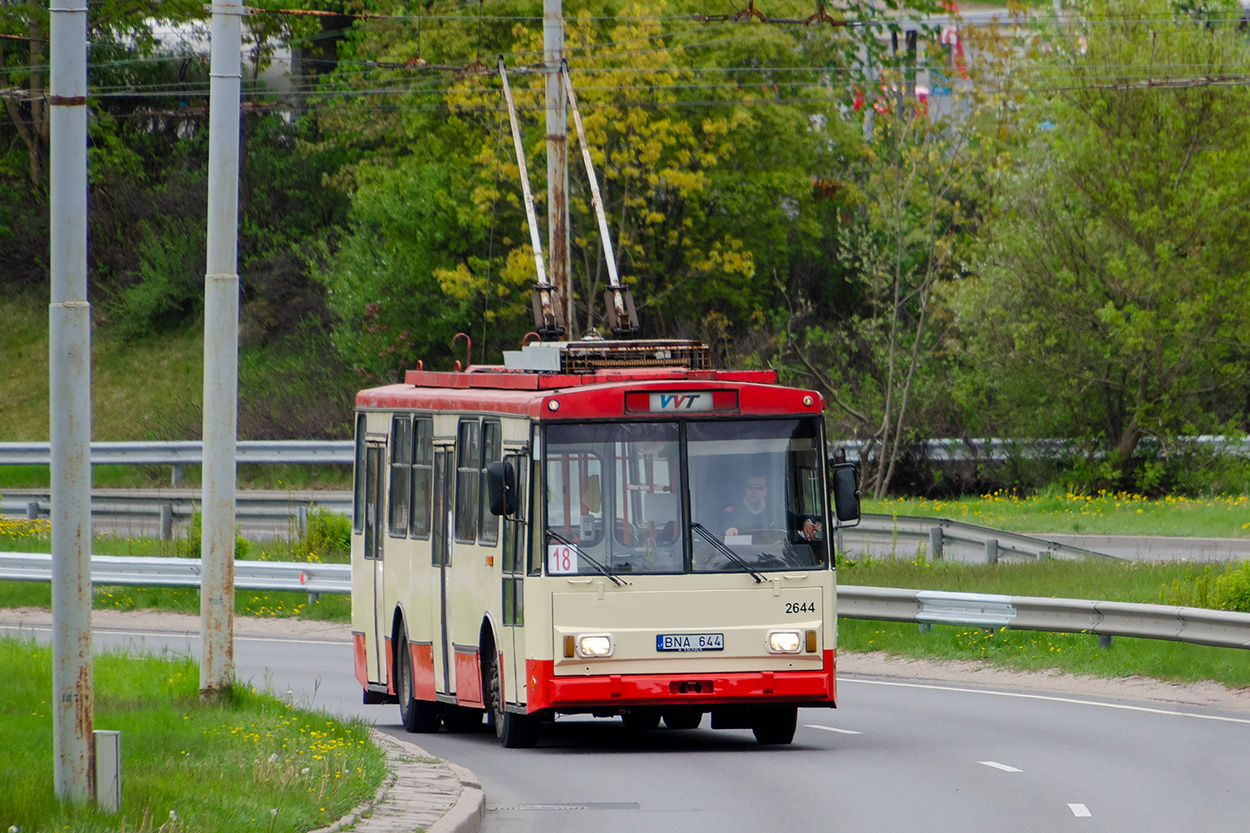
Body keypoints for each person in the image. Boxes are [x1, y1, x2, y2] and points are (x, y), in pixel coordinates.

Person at [722, 474, 819, 542]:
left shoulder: (776, 512)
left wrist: (807, 521)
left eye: (759, 487)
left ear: (766, 491)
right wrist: (728, 528)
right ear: (745, 489)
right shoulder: (732, 511)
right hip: (740, 562)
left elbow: (800, 519)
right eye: (750, 486)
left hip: (772, 561)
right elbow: (721, 524)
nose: (753, 491)